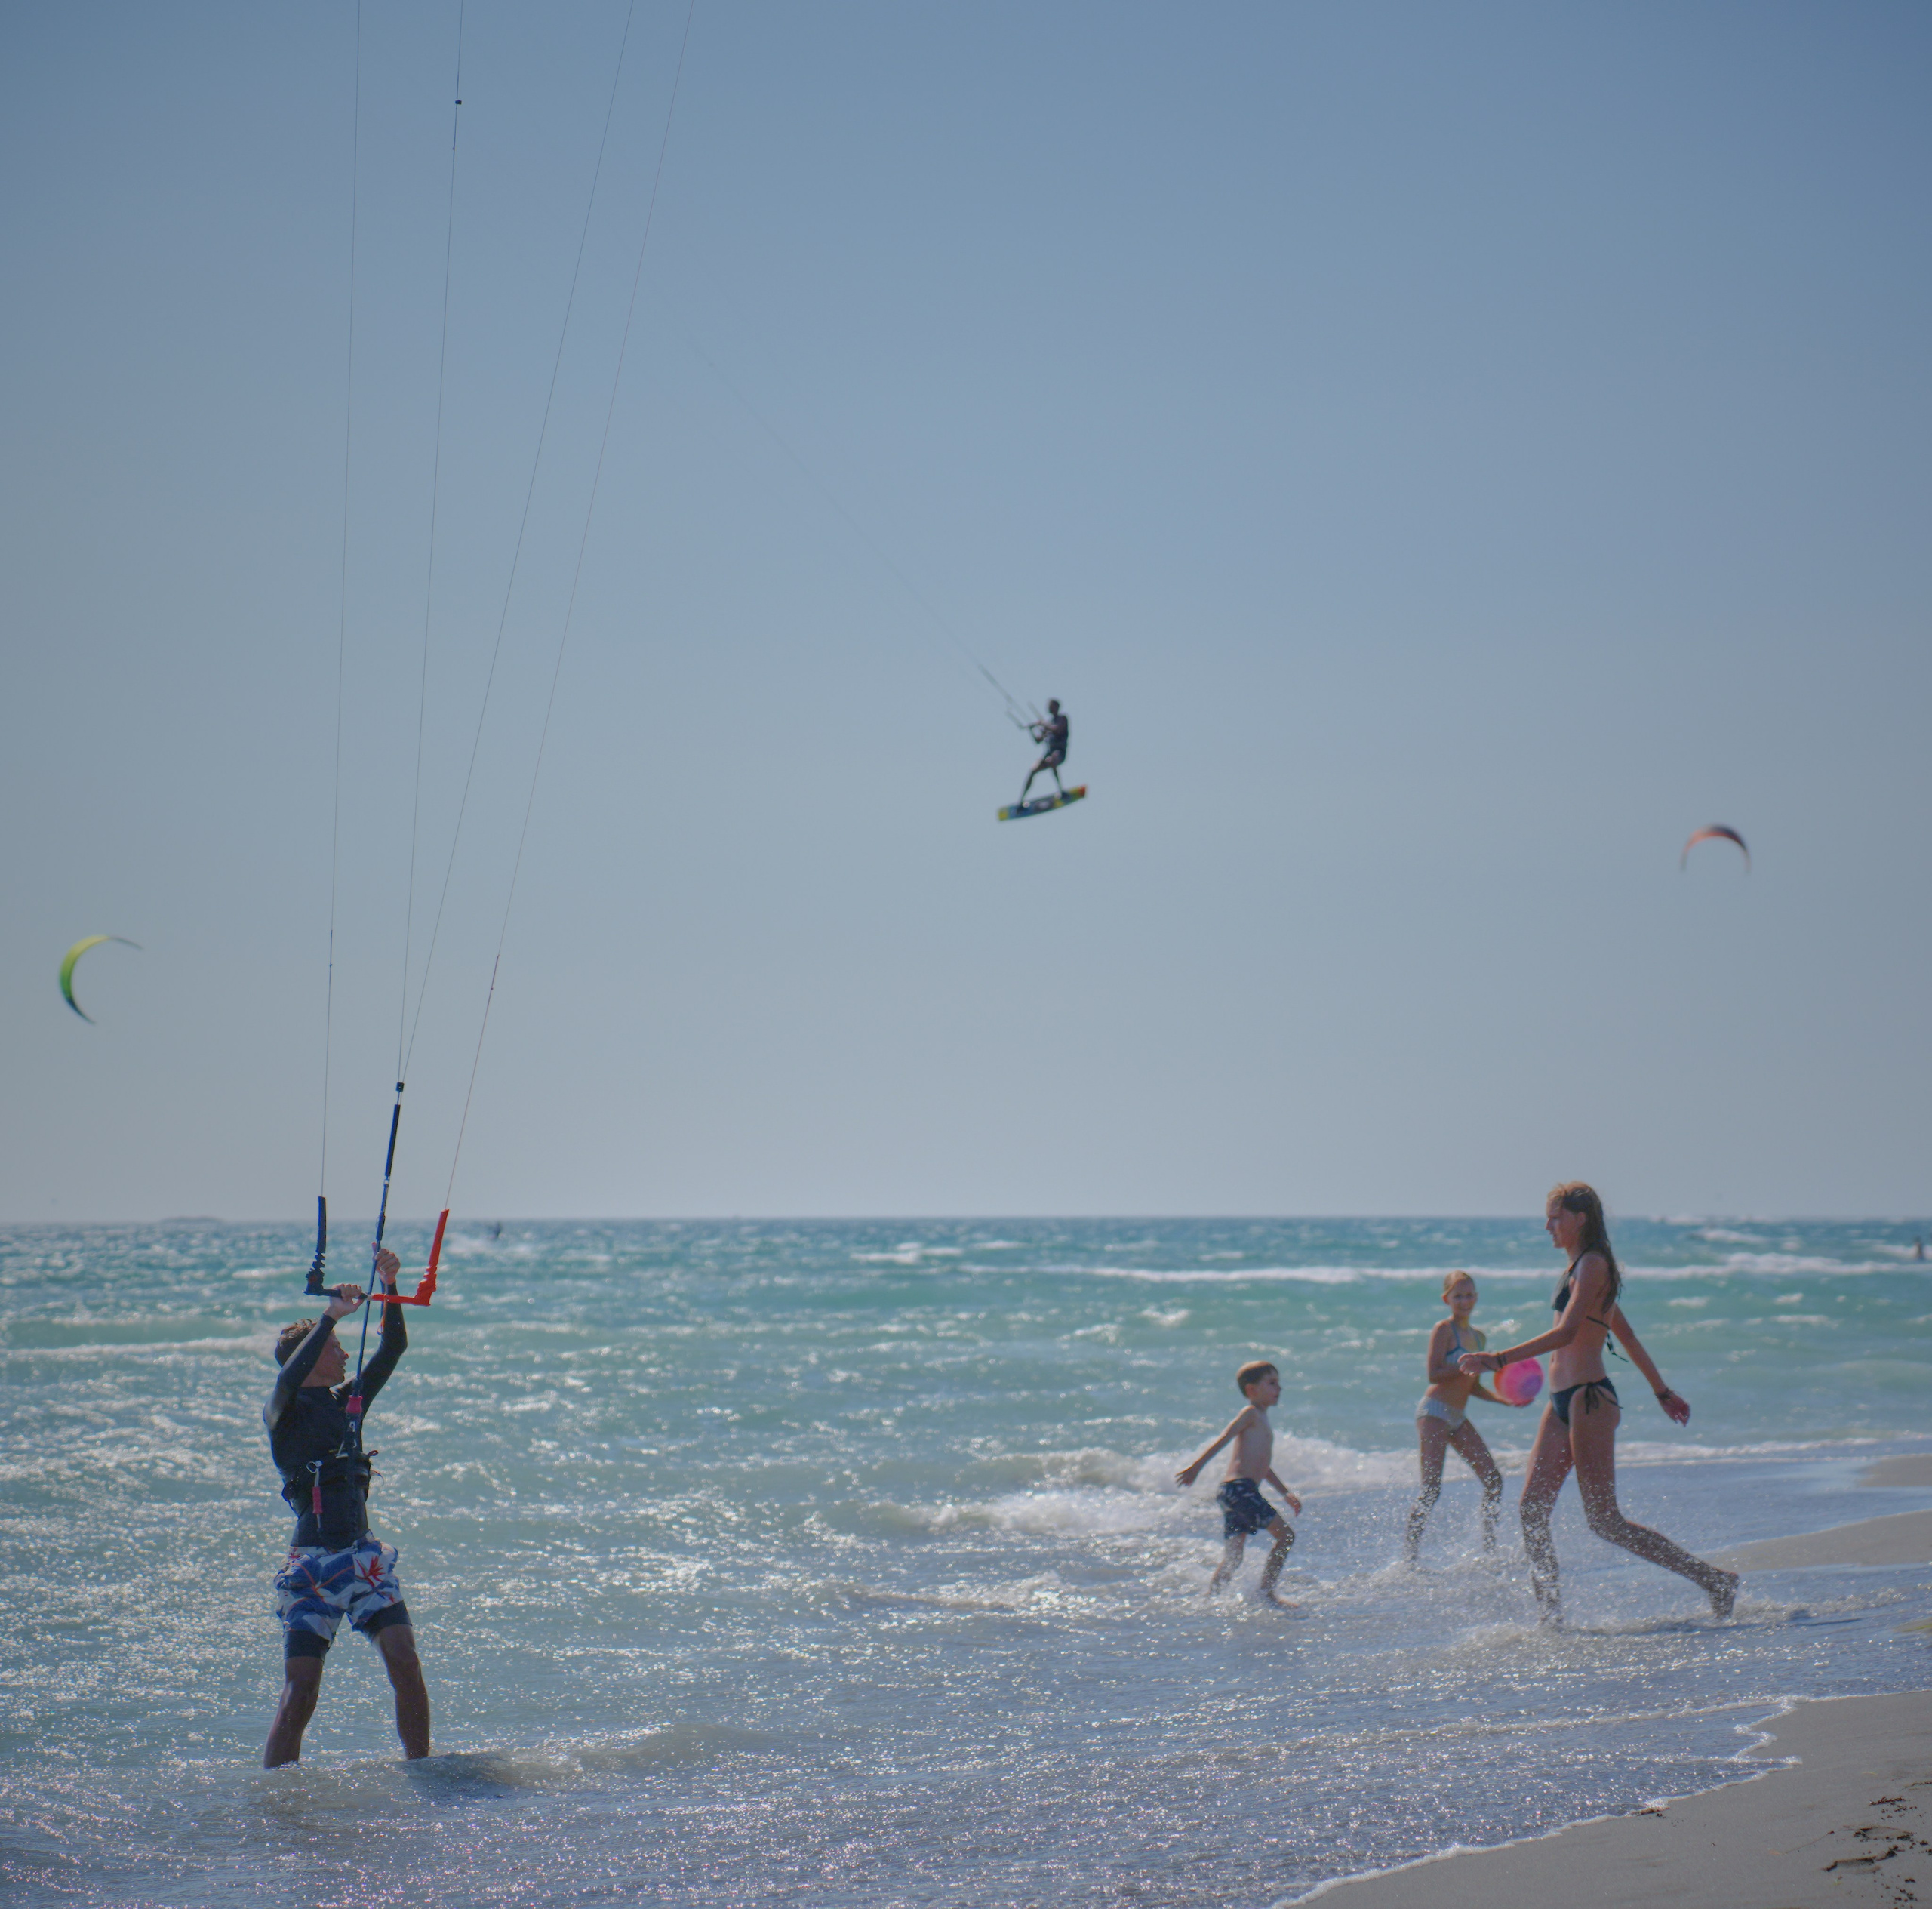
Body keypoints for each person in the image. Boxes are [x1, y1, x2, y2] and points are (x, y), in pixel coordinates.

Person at [1460, 1183, 1738, 1625]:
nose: (1547, 1226)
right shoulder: (1577, 1268)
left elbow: (1568, 1333)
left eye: (1555, 1217)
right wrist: (1662, 1392)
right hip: (1561, 1403)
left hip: (1589, 1399)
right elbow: (1625, 1333)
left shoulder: (1594, 1264)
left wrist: (1497, 1359)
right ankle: (1551, 1622)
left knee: (1605, 1521)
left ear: (1580, 1218)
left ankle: (1714, 1580)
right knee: (1532, 1511)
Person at [263, 1248, 431, 1766]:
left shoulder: (348, 1405)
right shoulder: (282, 1412)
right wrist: (331, 1315)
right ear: (311, 1356)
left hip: (365, 1560)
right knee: (302, 1689)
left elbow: (393, 1347)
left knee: (405, 1661)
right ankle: (278, 1793)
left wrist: (390, 1284)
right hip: (311, 1568)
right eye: (334, 1348)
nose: (342, 1355)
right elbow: (289, 1377)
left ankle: (422, 1770)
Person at [1404, 1270, 1524, 1562]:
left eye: (1469, 1295)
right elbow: (1434, 1374)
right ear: (1446, 1299)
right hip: (1434, 1412)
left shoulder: (1479, 1338)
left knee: (1494, 1481)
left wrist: (1504, 1400)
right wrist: (1467, 1365)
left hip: (1458, 1416)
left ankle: (1489, 1549)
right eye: (1458, 1296)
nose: (1464, 1301)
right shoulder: (1444, 1330)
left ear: (1477, 1298)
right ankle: (1409, 1556)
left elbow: (1473, 1386)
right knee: (1431, 1490)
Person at [1175, 1360, 1303, 1605]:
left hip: (1233, 1492)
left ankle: (1210, 1598)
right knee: (1286, 1537)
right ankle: (1267, 1593)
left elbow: (1263, 1467)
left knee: (1234, 1557)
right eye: (1272, 1383)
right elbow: (1225, 1438)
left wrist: (1285, 1493)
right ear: (1252, 1390)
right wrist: (1196, 1467)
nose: (1279, 1388)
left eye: (1279, 1383)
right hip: (1241, 1490)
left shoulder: (1262, 1420)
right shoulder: (1251, 1414)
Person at [1017, 699, 1069, 807]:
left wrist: (1042, 724)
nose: (1049, 708)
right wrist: (1031, 730)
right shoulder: (1049, 723)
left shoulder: (1063, 719)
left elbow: (1056, 729)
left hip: (1059, 752)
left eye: (1051, 706)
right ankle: (1021, 801)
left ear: (1056, 707)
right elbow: (1038, 741)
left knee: (1051, 761)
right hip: (1048, 754)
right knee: (1033, 770)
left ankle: (1061, 790)